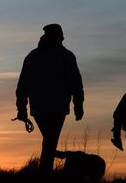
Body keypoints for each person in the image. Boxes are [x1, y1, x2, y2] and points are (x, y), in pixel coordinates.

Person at [15, 23, 84, 174]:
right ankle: (45, 174)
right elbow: (76, 83)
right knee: (50, 140)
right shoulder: (66, 56)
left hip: (39, 107)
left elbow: (22, 86)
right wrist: (78, 105)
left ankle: (44, 173)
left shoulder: (32, 56)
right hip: (57, 107)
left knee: (49, 139)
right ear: (59, 38)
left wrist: (22, 109)